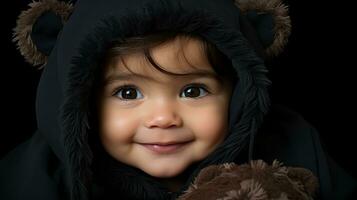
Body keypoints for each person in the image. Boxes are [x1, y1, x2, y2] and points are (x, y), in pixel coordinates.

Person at [1, 0, 356, 199]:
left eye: (192, 91)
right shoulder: (38, 178)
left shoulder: (294, 150)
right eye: (128, 93)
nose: (163, 117)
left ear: (238, 96)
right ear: (83, 103)